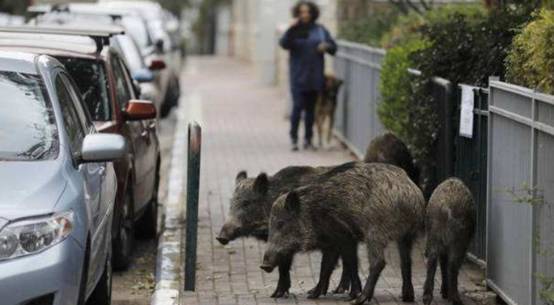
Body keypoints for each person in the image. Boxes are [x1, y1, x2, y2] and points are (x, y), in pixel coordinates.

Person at [280, 1, 337, 151]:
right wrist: (290, 29)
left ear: (313, 13)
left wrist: (326, 46)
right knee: (297, 107)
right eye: (302, 12)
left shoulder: (320, 30)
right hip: (298, 76)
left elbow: (333, 47)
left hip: (315, 75)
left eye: (307, 12)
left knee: (311, 110)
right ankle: (293, 138)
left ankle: (308, 139)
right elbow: (284, 44)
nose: (305, 15)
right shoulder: (294, 29)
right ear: (297, 13)